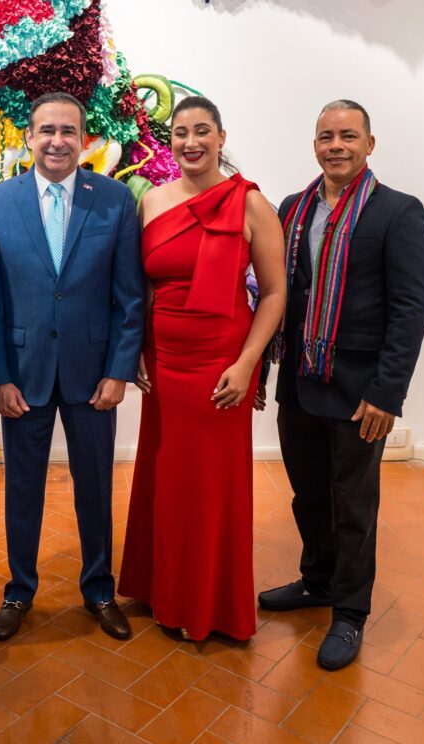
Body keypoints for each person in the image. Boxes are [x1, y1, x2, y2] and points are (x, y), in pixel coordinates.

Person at [258, 100, 424, 669]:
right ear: (315, 145)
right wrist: (264, 367)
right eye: (326, 136)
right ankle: (317, 581)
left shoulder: (398, 212)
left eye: (348, 136)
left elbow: (410, 310)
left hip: (359, 390)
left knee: (353, 504)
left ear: (369, 144)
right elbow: (282, 294)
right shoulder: (292, 207)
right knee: (307, 493)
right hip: (299, 380)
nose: (336, 145)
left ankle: (350, 613)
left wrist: (387, 393)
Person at [0, 92, 145, 641]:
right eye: (47, 130)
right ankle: (19, 590)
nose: (57, 141)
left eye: (68, 131)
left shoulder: (114, 200)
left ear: (84, 139)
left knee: (95, 487)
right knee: (22, 489)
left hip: (93, 376)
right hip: (22, 375)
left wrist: (119, 370)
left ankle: (99, 590)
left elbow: (130, 296)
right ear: (29, 137)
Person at [118, 96, 287, 642]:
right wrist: (137, 349)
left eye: (202, 131)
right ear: (170, 140)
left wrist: (247, 363)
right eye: (181, 132)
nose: (191, 142)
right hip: (164, 361)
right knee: (167, 476)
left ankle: (209, 604)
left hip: (222, 363)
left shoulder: (251, 203)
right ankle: (163, 589)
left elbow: (275, 292)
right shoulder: (151, 201)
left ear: (220, 137)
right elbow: (142, 286)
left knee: (213, 485)